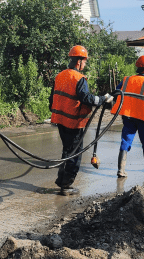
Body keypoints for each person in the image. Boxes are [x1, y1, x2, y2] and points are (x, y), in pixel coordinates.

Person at [49, 45, 112, 196]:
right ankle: (66, 185)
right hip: (73, 122)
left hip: (60, 120)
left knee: (67, 150)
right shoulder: (79, 79)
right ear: (79, 62)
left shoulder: (60, 75)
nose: (85, 64)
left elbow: (52, 98)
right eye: (85, 61)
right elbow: (86, 98)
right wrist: (104, 98)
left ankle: (61, 180)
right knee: (74, 154)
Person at [110, 55, 144, 177]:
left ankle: (121, 170)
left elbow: (117, 92)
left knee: (126, 140)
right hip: (143, 117)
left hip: (128, 116)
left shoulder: (126, 80)